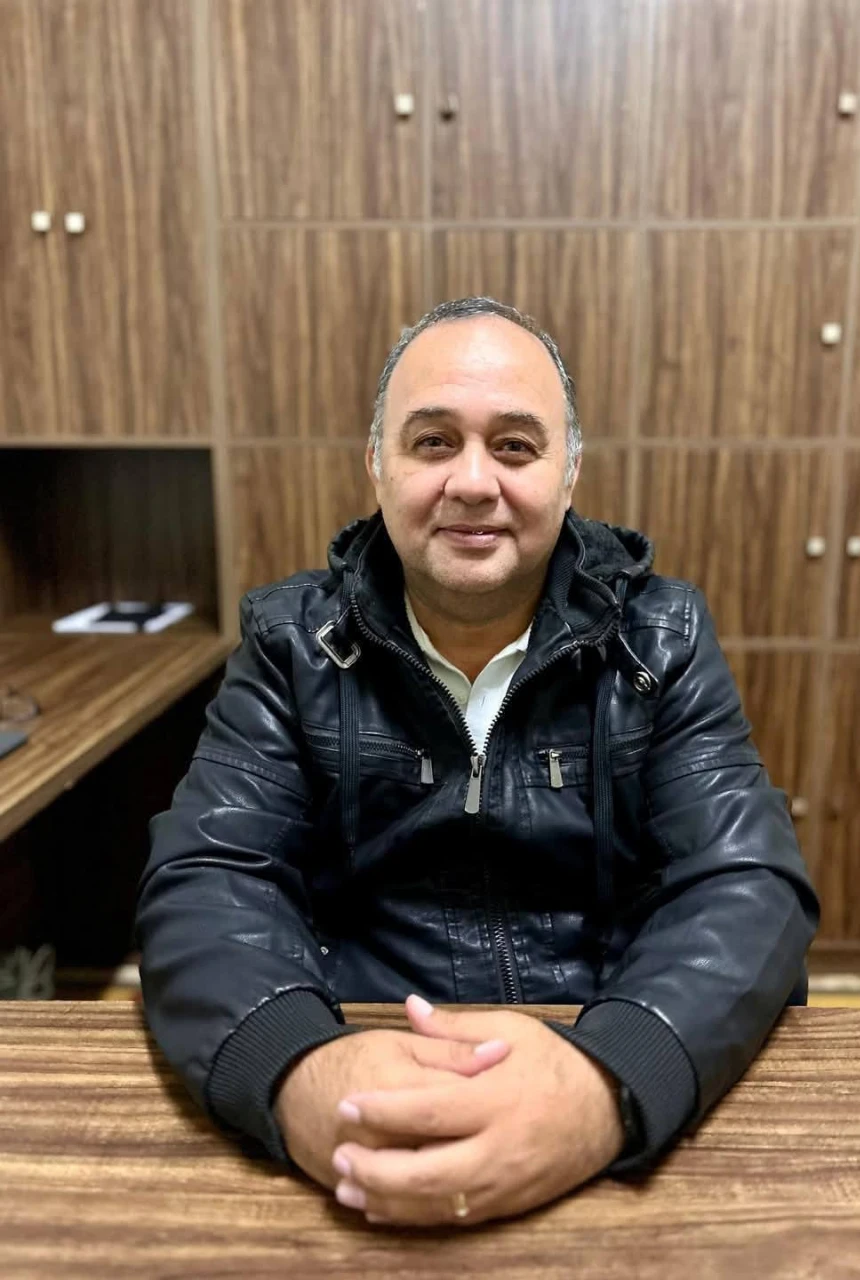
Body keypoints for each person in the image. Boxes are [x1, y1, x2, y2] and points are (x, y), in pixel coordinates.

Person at [135, 296, 820, 1229]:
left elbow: (745, 882)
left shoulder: (660, 637)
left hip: (599, 1053)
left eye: (515, 446)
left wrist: (609, 1081)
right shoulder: (291, 644)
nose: (471, 481)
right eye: (432, 442)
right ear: (376, 465)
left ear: (568, 473)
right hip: (363, 1059)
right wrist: (296, 1067)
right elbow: (210, 875)